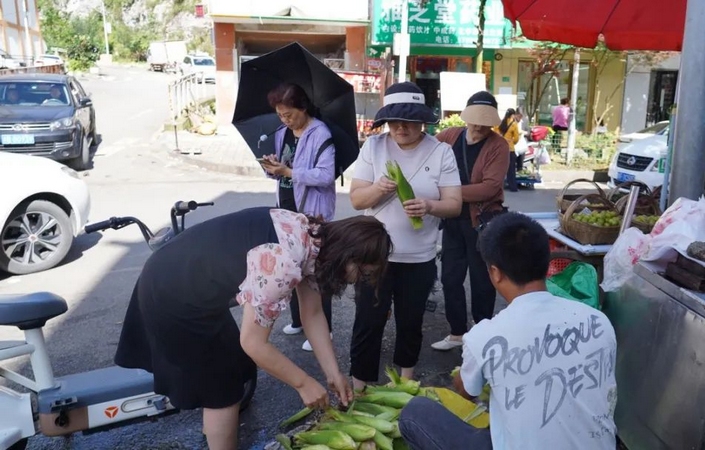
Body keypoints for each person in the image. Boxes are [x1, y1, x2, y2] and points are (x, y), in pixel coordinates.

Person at [114, 208, 392, 450]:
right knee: (222, 390)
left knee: (235, 366)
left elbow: (313, 312)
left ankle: (215, 428)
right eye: (363, 272)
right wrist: (303, 383)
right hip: (173, 292)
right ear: (348, 255)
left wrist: (333, 373)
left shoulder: (315, 240)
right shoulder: (283, 262)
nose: (360, 280)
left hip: (189, 282)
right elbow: (254, 343)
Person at [399, 213, 618, 450]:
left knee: (415, 413)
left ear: (495, 272)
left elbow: (465, 390)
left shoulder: (485, 336)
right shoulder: (598, 321)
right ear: (547, 264)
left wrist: (468, 373)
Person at [349, 81, 462, 390]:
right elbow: (357, 199)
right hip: (375, 256)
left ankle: (405, 386)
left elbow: (454, 205)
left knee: (410, 323)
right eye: (394, 119)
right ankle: (359, 389)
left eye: (409, 119)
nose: (401, 127)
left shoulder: (441, 152)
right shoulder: (373, 146)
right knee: (368, 323)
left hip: (419, 258)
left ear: (422, 120)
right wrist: (378, 188)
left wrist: (429, 206)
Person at [260, 82, 336, 352]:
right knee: (291, 268)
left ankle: (323, 328)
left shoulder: (320, 133)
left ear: (303, 107)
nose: (284, 119)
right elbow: (282, 169)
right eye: (280, 115)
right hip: (286, 211)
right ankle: (299, 321)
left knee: (315, 274)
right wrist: (272, 168)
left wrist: (289, 173)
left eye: (289, 114)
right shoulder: (283, 133)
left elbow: (326, 176)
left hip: (313, 213)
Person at [431, 91, 509, 352]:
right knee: (450, 278)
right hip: (452, 219)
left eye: (485, 122)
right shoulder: (449, 136)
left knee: (481, 280)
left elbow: (490, 188)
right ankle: (456, 333)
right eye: (475, 120)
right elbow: (427, 156)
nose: (479, 127)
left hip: (482, 222)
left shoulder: (498, 146)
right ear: (466, 117)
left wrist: (449, 191)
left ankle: (482, 332)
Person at [493, 108, 521, 192]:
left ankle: (497, 187)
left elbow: (495, 133)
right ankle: (513, 187)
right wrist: (511, 141)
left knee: (499, 168)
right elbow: (516, 139)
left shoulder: (500, 123)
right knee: (511, 169)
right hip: (510, 149)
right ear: (513, 115)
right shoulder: (514, 124)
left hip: (500, 148)